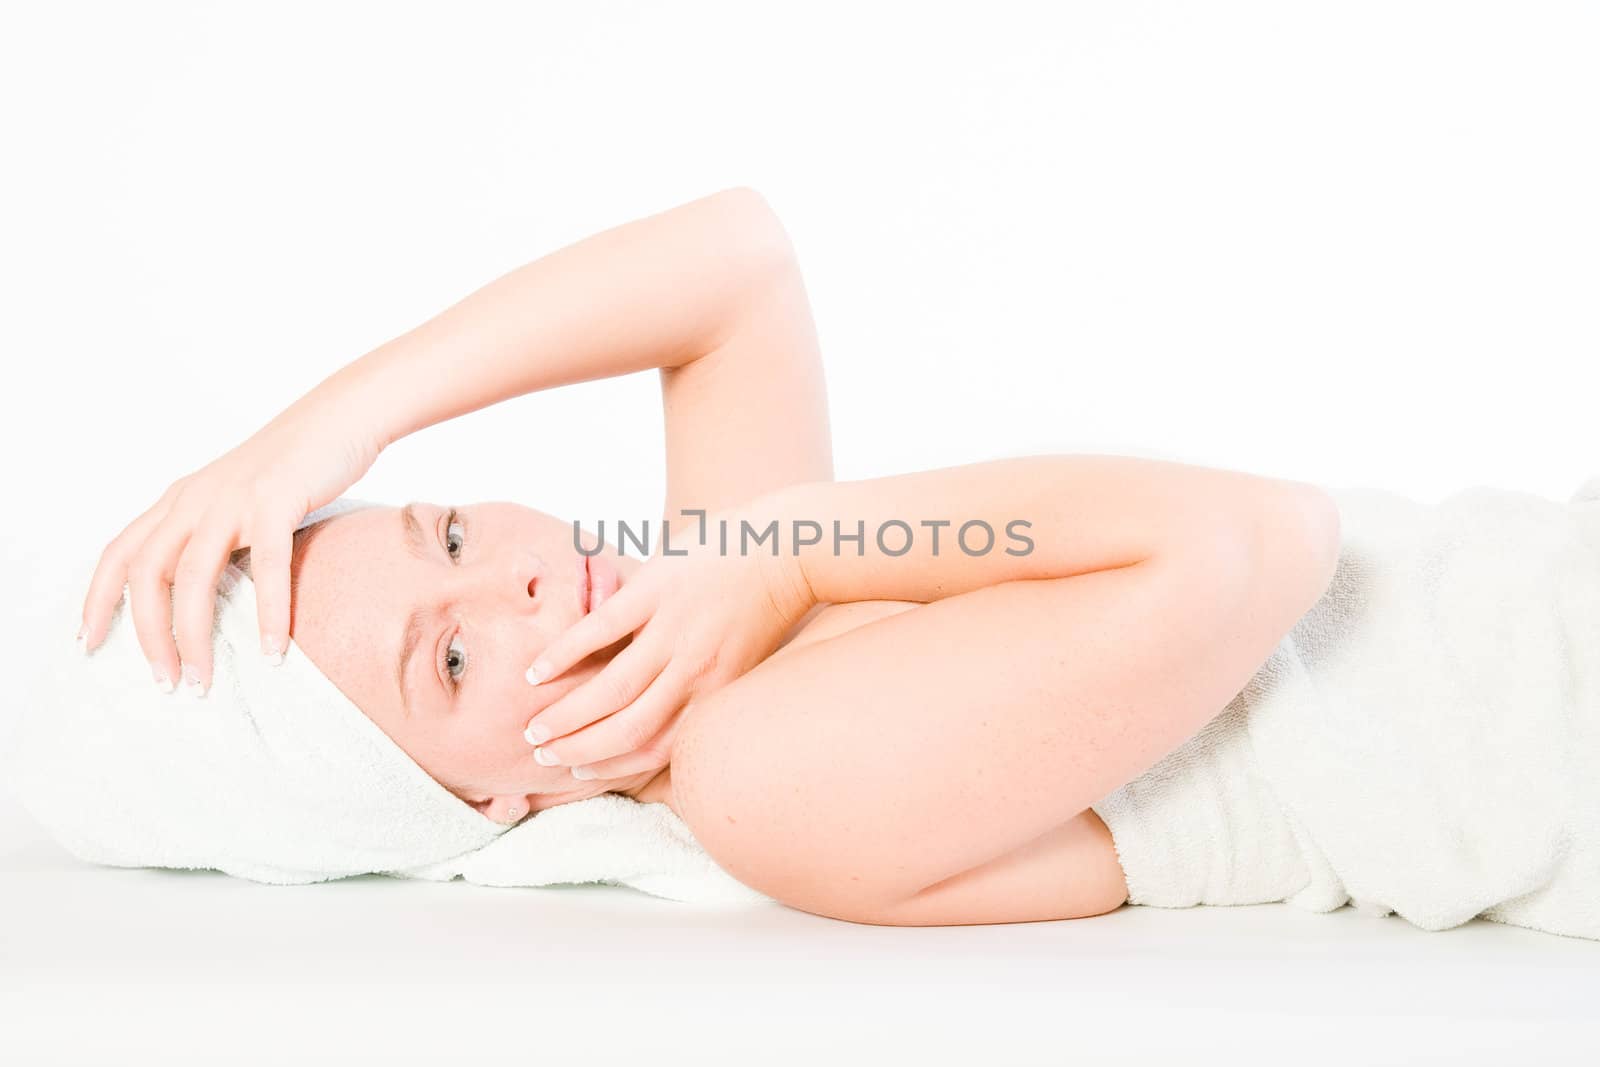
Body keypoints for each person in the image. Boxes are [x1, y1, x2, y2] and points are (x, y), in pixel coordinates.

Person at [74, 187, 1341, 926]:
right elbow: (1261, 541)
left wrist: (332, 422)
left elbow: (734, 262)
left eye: (446, 531)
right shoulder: (759, 778)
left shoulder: (718, 602)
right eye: (452, 657)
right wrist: (784, 550)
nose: (511, 580)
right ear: (483, 804)